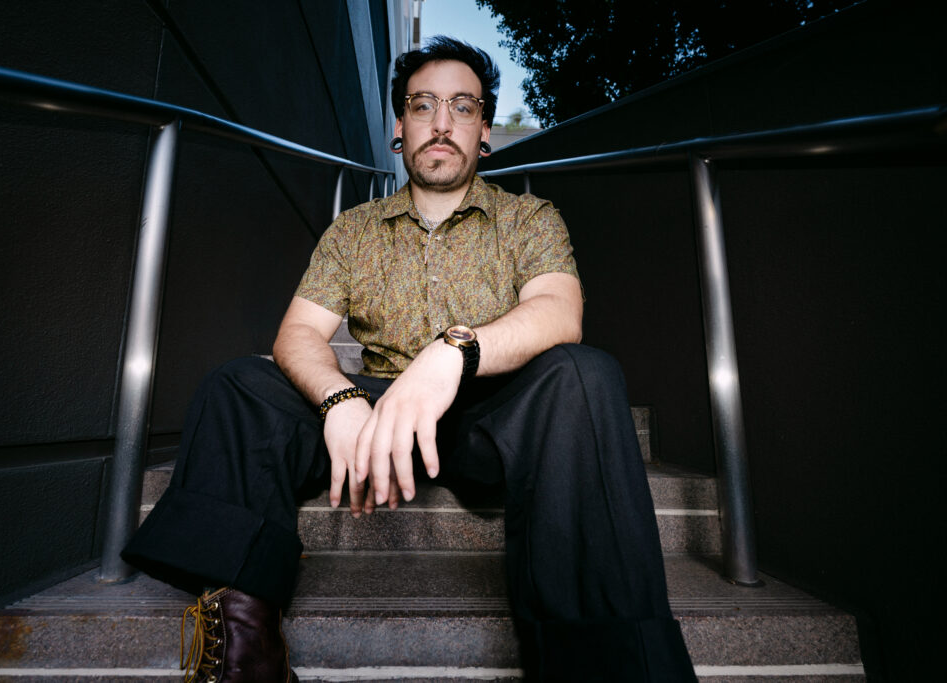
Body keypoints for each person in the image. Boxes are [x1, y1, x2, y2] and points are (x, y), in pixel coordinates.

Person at [123, 36, 697, 683]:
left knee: (585, 373)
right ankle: (248, 656)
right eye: (423, 105)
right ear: (400, 128)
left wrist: (454, 351)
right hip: (369, 417)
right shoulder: (353, 229)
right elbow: (299, 333)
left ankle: (607, 669)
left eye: (462, 106)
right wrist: (340, 399)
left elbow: (559, 313)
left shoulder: (530, 218)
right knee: (238, 384)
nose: (442, 122)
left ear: (484, 130)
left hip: (485, 413)